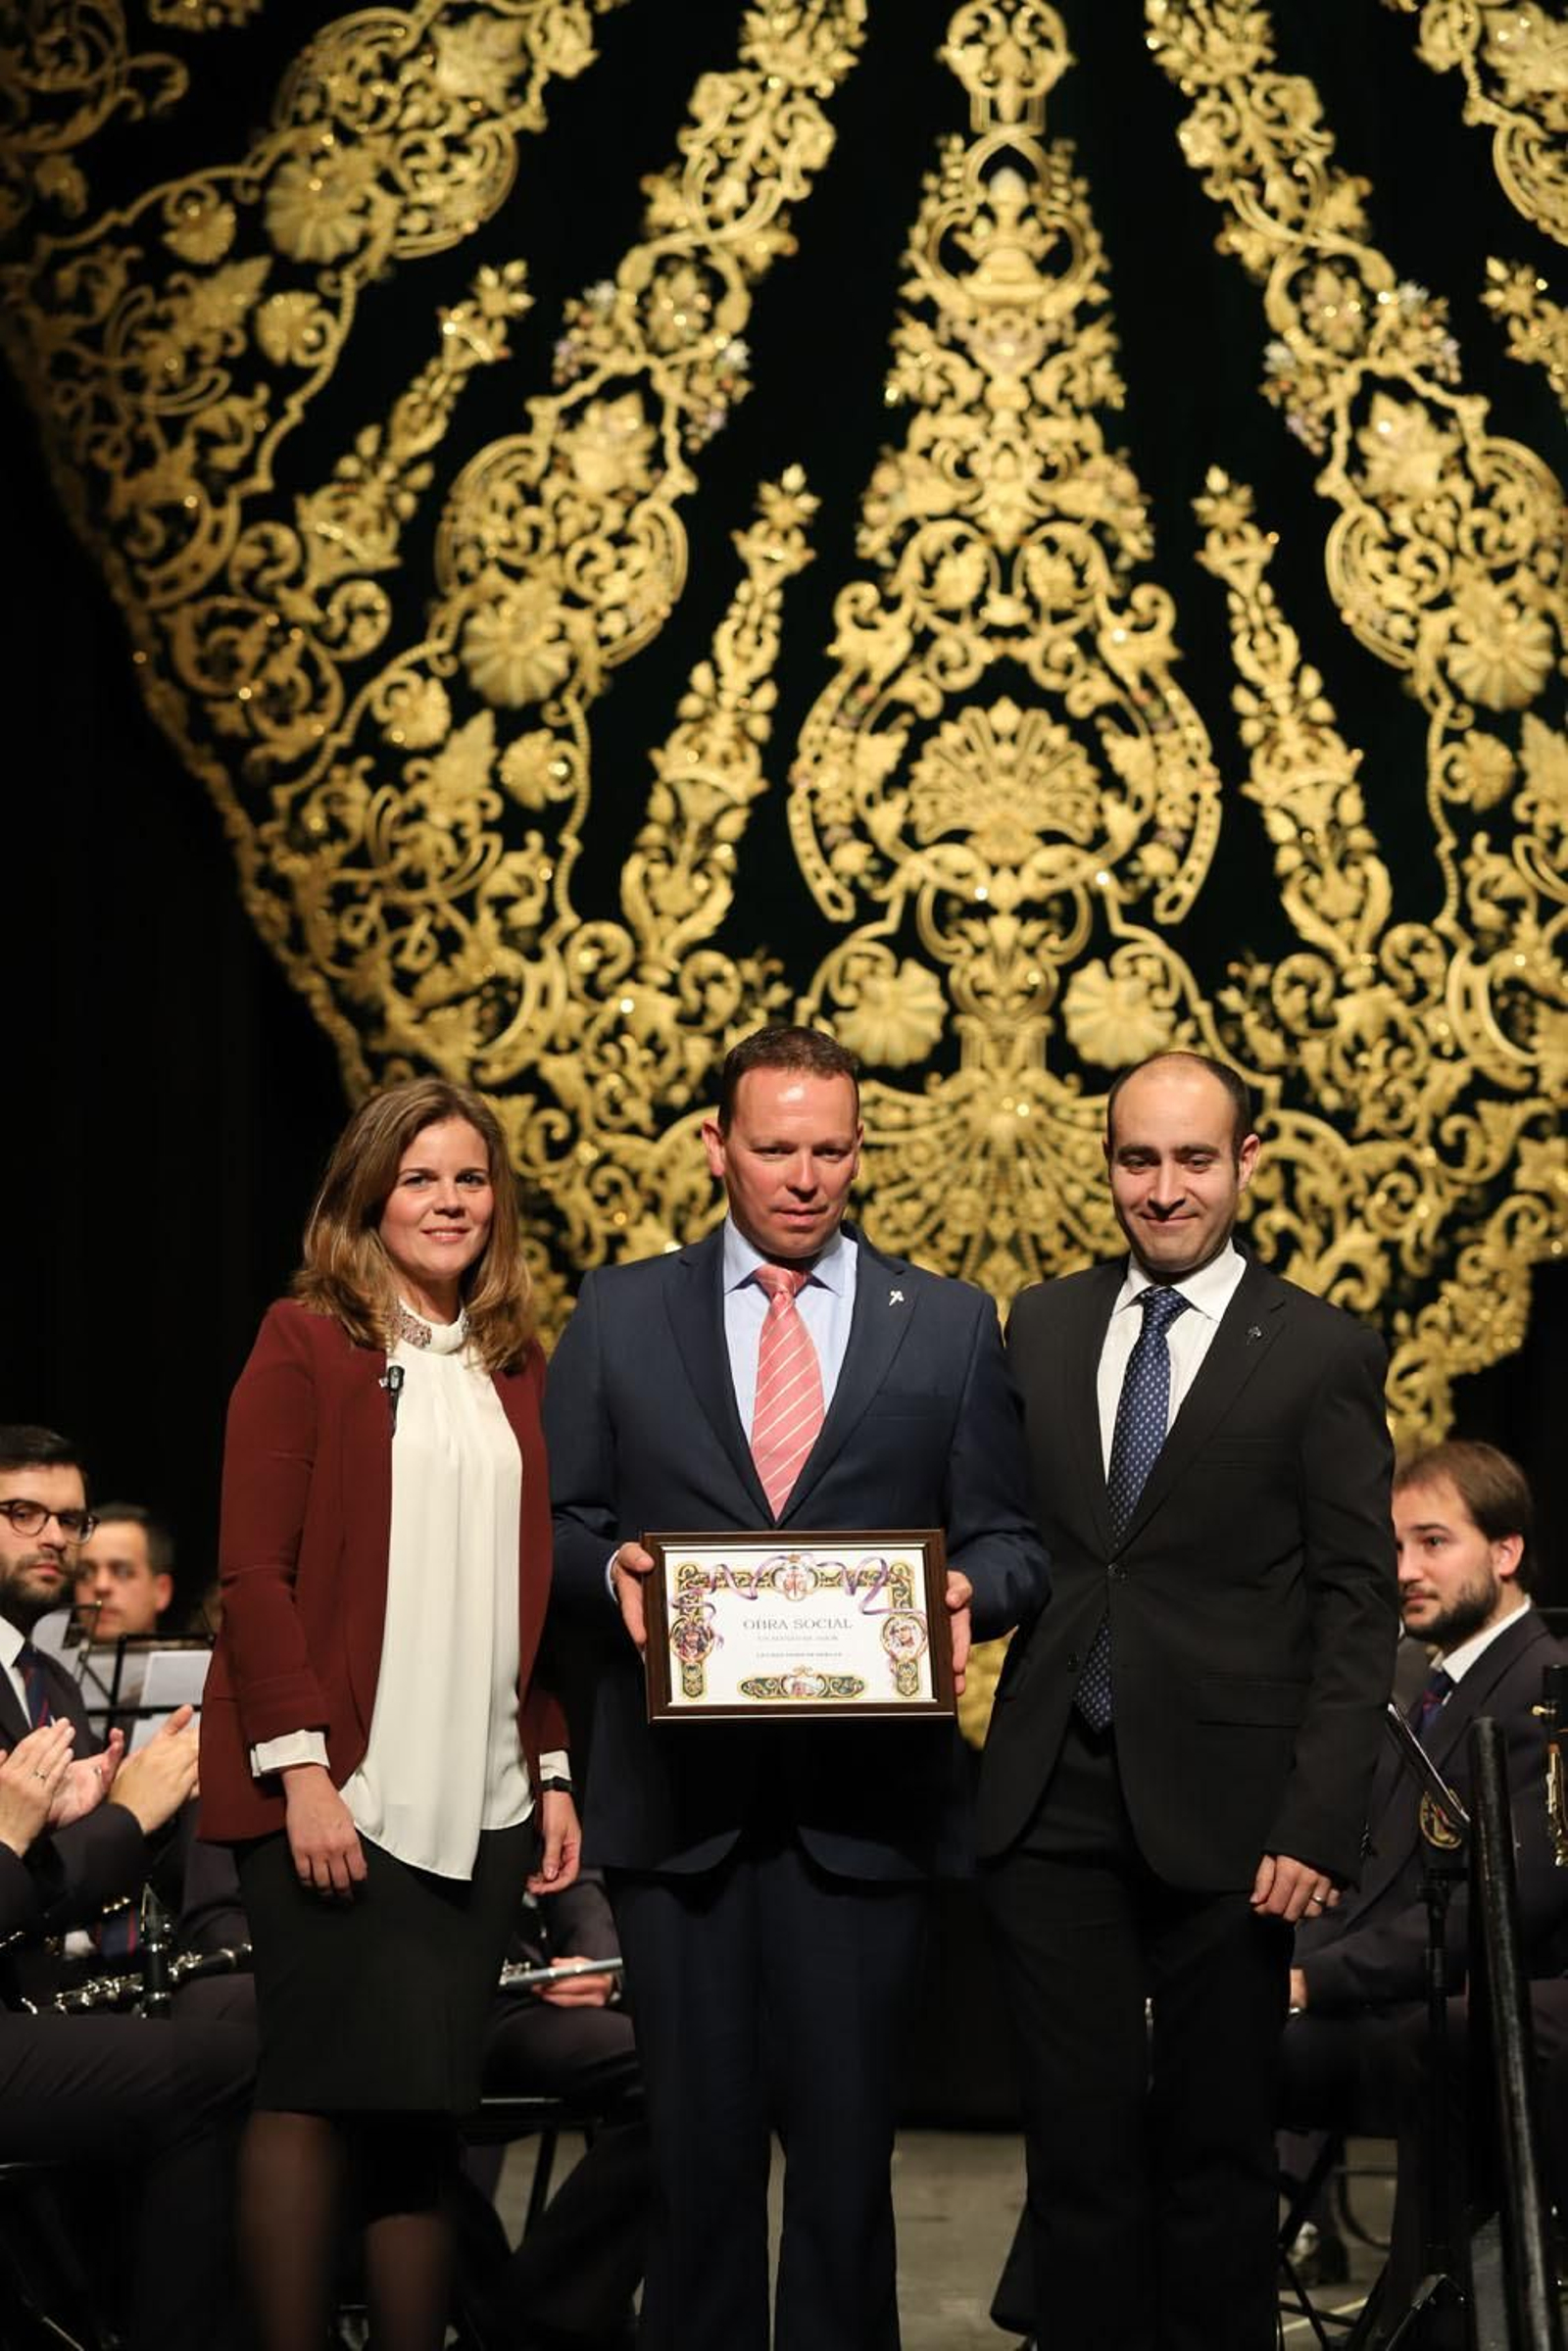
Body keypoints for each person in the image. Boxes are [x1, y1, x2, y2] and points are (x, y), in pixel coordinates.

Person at [543, 1022, 1049, 2351]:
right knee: (692, 2165)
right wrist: (615, 1578)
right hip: (678, 1807)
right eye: (776, 1147)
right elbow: (554, 1526)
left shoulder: (941, 1322)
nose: (806, 1175)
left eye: (831, 1148)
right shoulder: (616, 1309)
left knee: (842, 2171)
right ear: (718, 1145)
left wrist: (966, 1596)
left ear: (860, 1149)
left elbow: (1010, 1541)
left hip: (865, 1811)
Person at [978, 1050, 1397, 2351]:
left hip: (1238, 1817)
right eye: (1139, 1159)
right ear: (1107, 1162)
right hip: (1056, 1789)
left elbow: (1354, 1600)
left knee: (1219, 2160)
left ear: (1246, 1163)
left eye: (1194, 1160)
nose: (1165, 1189)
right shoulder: (1039, 1324)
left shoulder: (1320, 1347)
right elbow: (1015, 1542)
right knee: (1078, 2152)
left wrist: (1318, 1819)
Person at [198, 1077, 582, 2351]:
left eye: (469, 1177)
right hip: (338, 1793)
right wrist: (300, 1768)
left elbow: (517, 1593)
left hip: (479, 1802)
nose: (449, 1200)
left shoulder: (513, 1362)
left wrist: (555, 1769)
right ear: (368, 1192)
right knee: (313, 2094)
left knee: (425, 2110)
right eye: (420, 1176)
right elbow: (254, 1573)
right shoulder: (305, 1340)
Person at [1280, 1442, 1568, 2298]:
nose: (1404, 1569)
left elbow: (1515, 1903)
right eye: (1394, 1545)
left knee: (1207, 2042)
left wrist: (1308, 1982)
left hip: (1454, 2003)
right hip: (1393, 1984)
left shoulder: (1541, 1691)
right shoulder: (1428, 1686)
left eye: (1433, 1542)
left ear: (1505, 1552)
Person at [0, 1427, 252, 2350]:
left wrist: (117, 1813)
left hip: (37, 1999)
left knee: (246, 2027)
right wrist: (128, 1817)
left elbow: (55, 1883)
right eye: (23, 1512)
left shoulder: (49, 1676)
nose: (54, 1537)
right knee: (222, 2069)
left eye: (70, 1516)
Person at [73, 1504, 174, 1641]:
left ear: (162, 1591)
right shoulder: (39, 1661)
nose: (101, 1586)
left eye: (123, 1572)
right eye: (85, 1574)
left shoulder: (201, 1662)